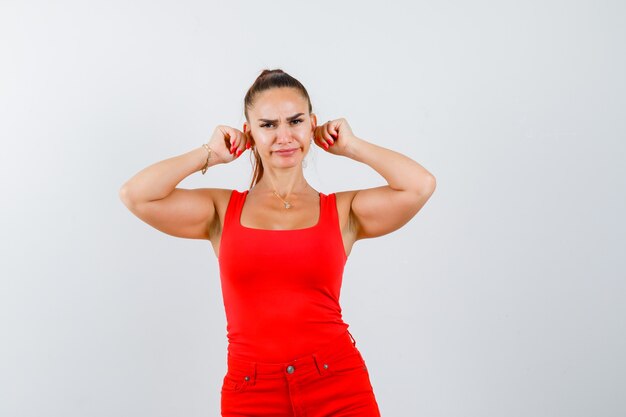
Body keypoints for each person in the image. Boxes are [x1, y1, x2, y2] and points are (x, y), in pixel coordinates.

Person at [119, 68, 436, 416]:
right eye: (268, 125)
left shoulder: (342, 211)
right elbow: (137, 195)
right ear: (249, 133)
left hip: (338, 385)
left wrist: (352, 146)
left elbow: (419, 185)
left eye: (295, 121)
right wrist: (209, 153)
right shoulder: (222, 210)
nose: (284, 136)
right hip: (252, 393)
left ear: (311, 124)